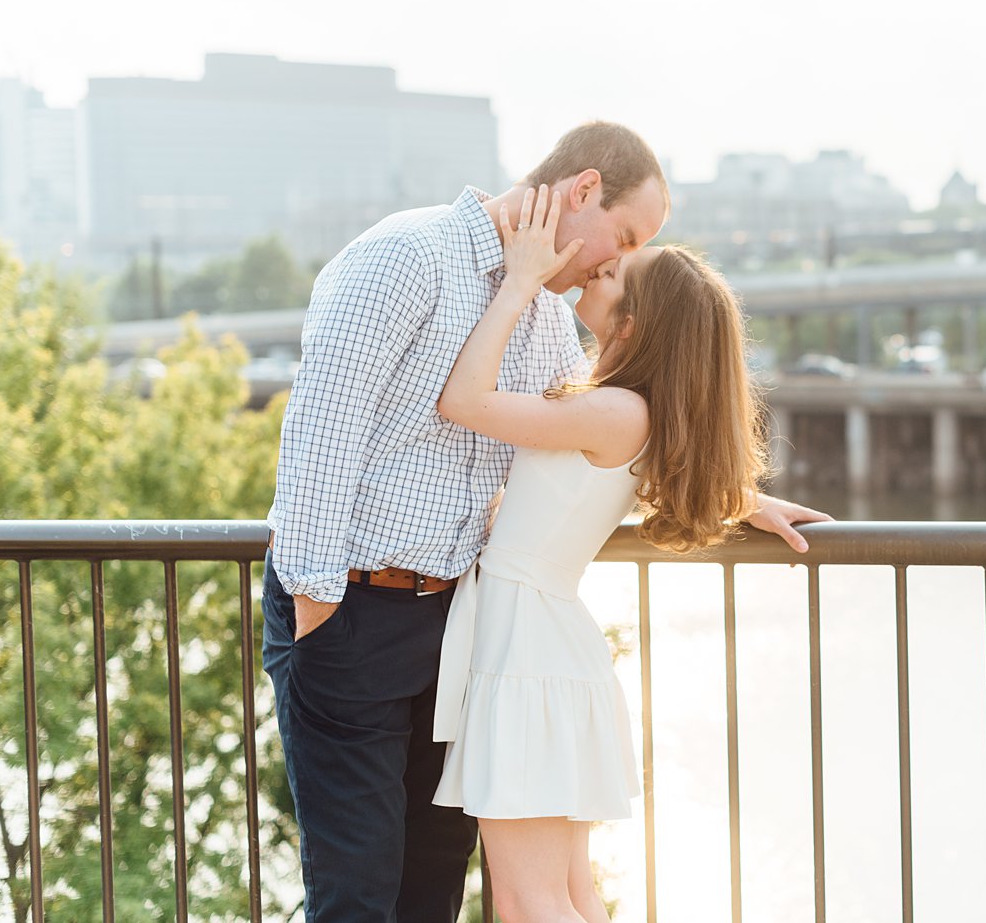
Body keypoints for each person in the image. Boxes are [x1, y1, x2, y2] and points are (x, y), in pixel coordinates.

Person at [261, 121, 829, 922]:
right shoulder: (406, 256)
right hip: (352, 613)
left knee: (431, 884)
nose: (613, 263)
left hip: (456, 628)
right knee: (356, 886)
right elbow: (319, 441)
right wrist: (319, 614)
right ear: (583, 190)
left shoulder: (545, 322)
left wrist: (741, 498)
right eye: (625, 236)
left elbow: (615, 446)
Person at [431, 183, 774, 922]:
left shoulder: (613, 411)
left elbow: (463, 399)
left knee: (529, 902)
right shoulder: (623, 408)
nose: (596, 270)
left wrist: (520, 284)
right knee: (570, 895)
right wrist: (749, 501)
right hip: (541, 646)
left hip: (527, 651)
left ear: (633, 324)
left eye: (614, 275)